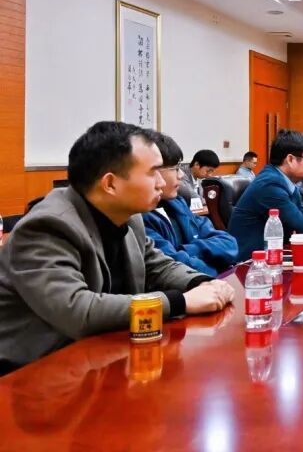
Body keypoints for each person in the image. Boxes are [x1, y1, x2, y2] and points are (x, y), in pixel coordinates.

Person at [0, 121, 234, 374]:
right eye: (153, 173)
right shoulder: (48, 226)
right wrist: (181, 302)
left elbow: (156, 264)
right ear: (110, 183)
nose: (161, 182)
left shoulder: (129, 216)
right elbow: (78, 310)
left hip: (101, 358)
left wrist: (202, 283)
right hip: (32, 373)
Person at [142, 131, 239, 277]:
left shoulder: (178, 203)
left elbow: (229, 243)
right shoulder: (140, 216)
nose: (181, 174)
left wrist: (188, 250)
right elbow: (174, 266)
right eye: (175, 168)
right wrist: (217, 266)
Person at [227, 129, 303, 261]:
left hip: (274, 257)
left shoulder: (284, 181)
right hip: (251, 264)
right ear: (291, 159)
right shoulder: (270, 185)